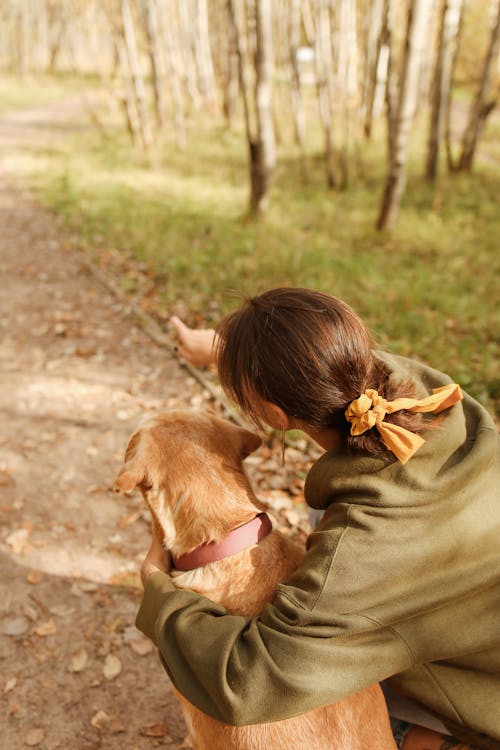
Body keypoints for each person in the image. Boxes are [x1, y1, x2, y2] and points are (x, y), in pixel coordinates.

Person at [138, 288, 500, 750]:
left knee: (327, 714)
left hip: (483, 698)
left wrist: (160, 596)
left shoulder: (358, 551)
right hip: (478, 603)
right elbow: (315, 358)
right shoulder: (408, 385)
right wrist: (217, 348)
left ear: (274, 415)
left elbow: (250, 683)